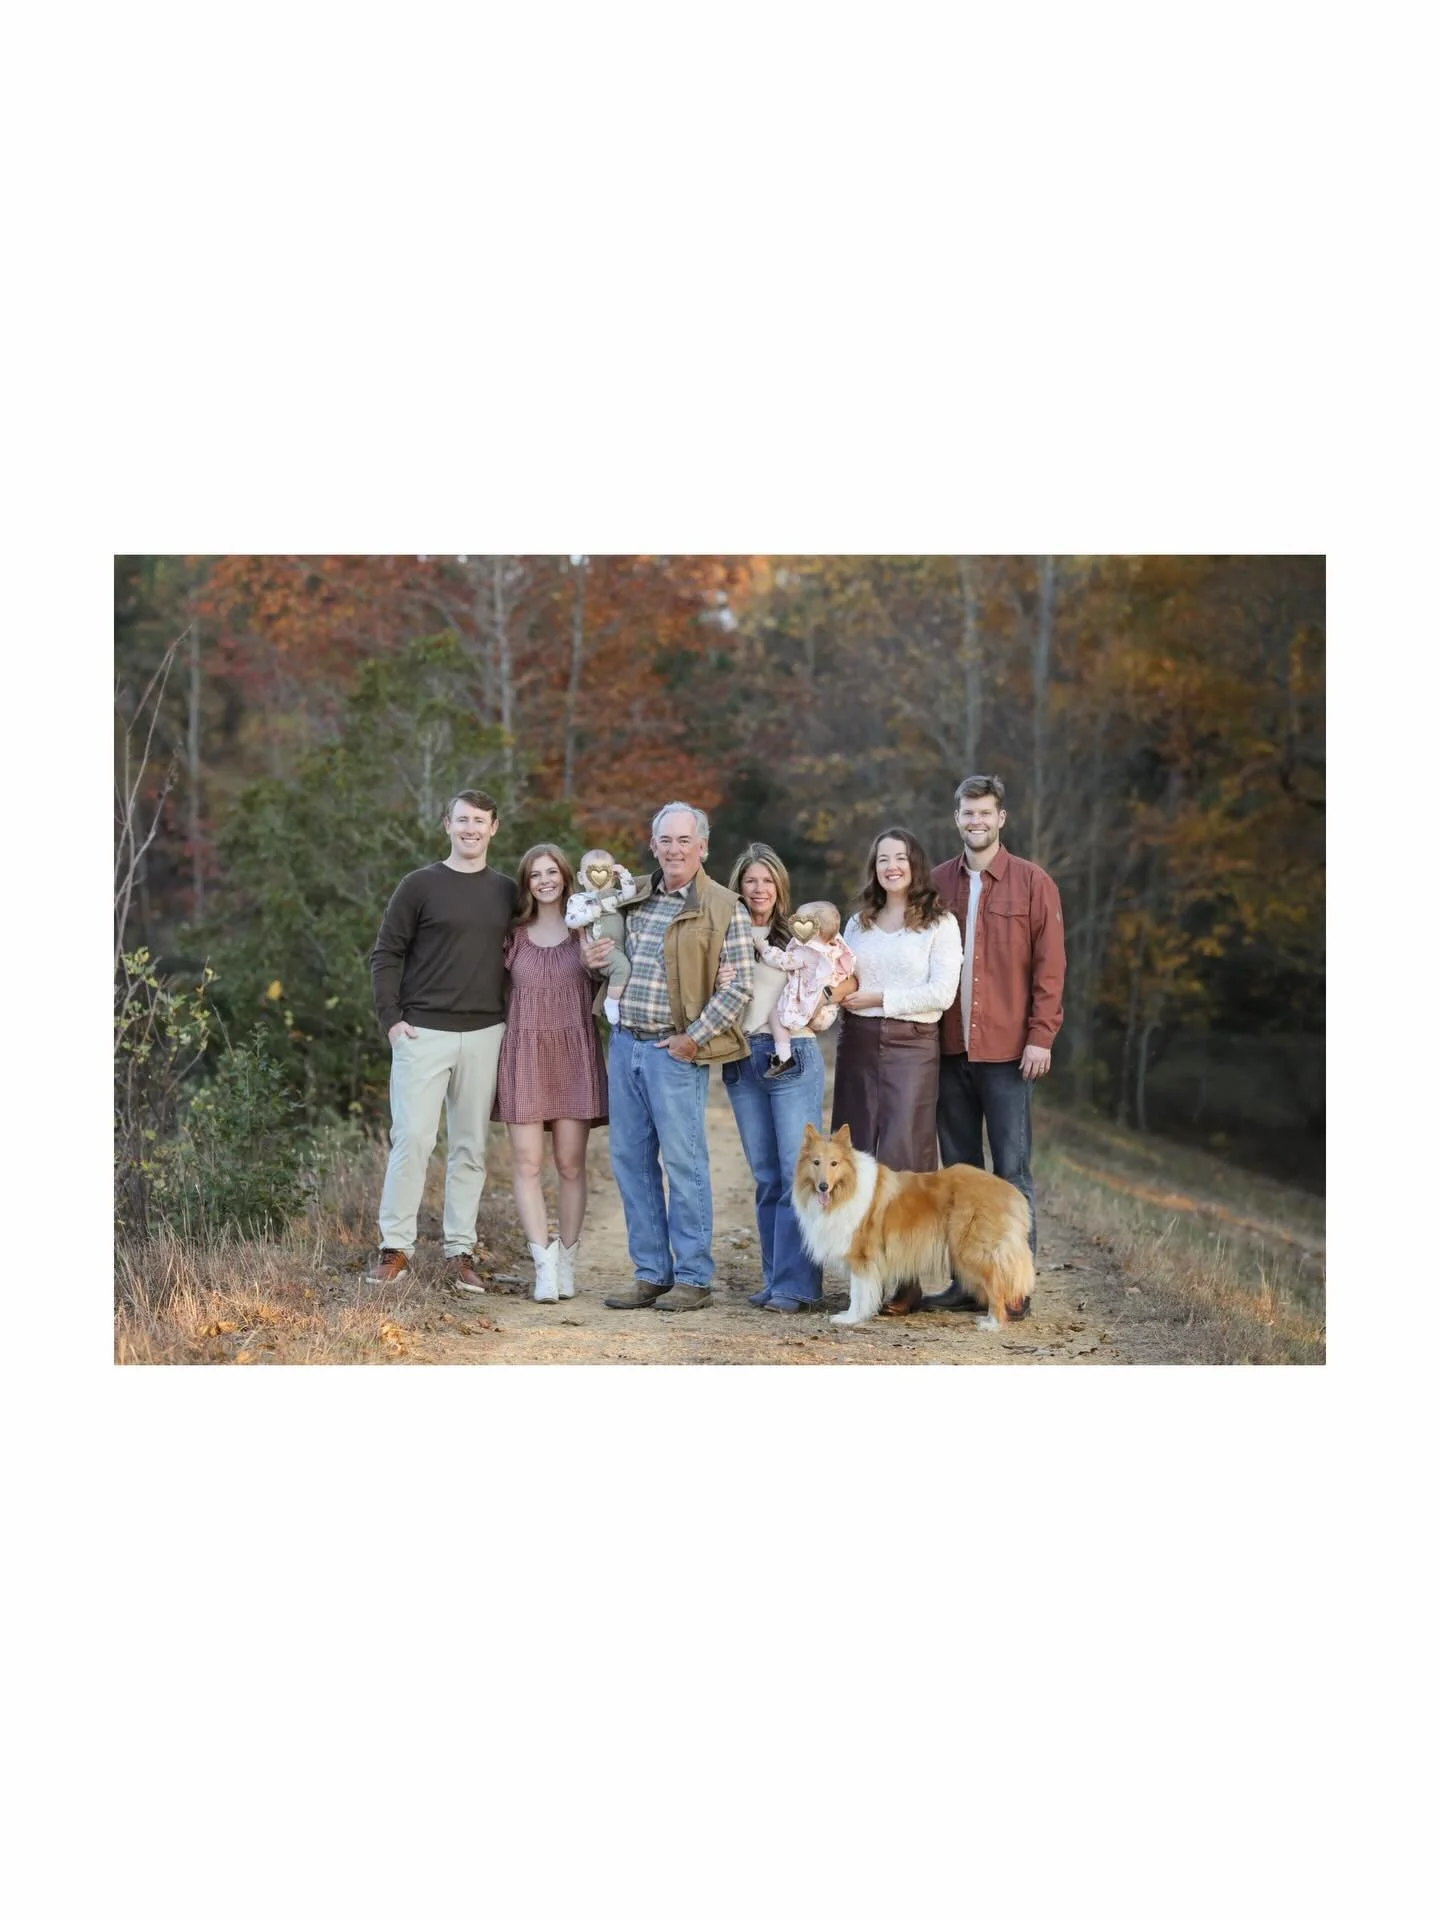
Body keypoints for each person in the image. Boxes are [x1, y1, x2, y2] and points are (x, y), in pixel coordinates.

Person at [581, 803, 755, 1312]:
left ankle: (694, 1277)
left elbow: (739, 984)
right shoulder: (632, 895)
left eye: (684, 840)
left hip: (673, 1051)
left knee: (683, 1162)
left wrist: (694, 1037)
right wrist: (595, 963)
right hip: (625, 1042)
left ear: (702, 847)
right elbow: (609, 955)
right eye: (665, 840)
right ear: (652, 844)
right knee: (630, 1161)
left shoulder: (723, 906)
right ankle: (651, 1272)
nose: (674, 849)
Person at [366, 789, 515, 1291]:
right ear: (446, 824)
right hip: (423, 1032)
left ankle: (460, 1253)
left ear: (494, 827)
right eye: (461, 820)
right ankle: (395, 1249)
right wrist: (391, 1019)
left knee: (470, 1147)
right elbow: (386, 952)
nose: (470, 828)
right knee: (412, 1140)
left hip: (485, 1033)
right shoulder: (419, 885)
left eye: (480, 821)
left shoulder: (508, 892)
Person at [930, 774, 1065, 1270]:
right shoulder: (937, 883)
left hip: (1009, 1054)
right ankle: (969, 1283)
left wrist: (1041, 1037)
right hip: (947, 1052)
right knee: (962, 1175)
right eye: (968, 813)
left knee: (1011, 1172)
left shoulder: (1034, 883)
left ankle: (1014, 1284)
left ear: (1001, 818)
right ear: (957, 819)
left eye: (985, 813)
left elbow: (1051, 967)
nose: (977, 821)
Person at [720, 847, 856, 1313]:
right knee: (765, 1177)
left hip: (792, 1054)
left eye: (767, 881)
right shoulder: (724, 931)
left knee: (796, 1172)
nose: (758, 889)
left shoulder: (798, 936)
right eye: (750, 881)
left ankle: (797, 1286)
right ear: (738, 885)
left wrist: (823, 999)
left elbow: (841, 978)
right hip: (741, 1056)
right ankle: (775, 1277)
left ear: (780, 888)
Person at [495, 844, 608, 1302]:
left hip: (574, 1051)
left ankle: (566, 1262)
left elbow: (611, 982)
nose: (544, 880)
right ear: (527, 883)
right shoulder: (512, 936)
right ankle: (541, 1264)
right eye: (535, 874)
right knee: (525, 1164)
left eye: (552, 872)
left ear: (566, 877)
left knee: (569, 1164)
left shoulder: (587, 930)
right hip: (523, 1052)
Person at [831, 826, 962, 1174]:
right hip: (857, 1041)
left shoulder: (941, 923)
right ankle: (853, 1228)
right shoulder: (858, 923)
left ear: (915, 864)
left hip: (913, 1047)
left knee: (904, 1150)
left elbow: (942, 993)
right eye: (883, 859)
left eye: (900, 858)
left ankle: (906, 1228)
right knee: (851, 1150)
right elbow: (842, 975)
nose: (892, 866)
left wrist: (879, 998)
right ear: (874, 868)